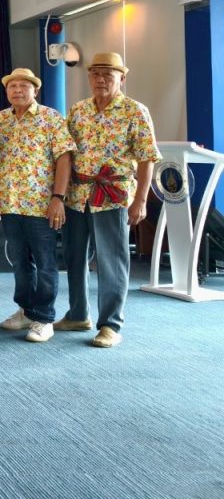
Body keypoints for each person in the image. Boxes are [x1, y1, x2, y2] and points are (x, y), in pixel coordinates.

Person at [56, 52, 160, 348]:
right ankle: (78, 314)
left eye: (108, 74)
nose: (100, 79)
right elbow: (66, 153)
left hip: (113, 196)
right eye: (95, 74)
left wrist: (141, 200)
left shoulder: (135, 111)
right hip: (78, 195)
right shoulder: (78, 110)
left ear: (121, 79)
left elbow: (147, 158)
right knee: (75, 257)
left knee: (111, 260)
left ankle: (110, 324)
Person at [0, 69, 75, 343]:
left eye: (23, 86)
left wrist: (58, 198)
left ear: (35, 90)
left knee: (45, 262)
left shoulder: (50, 117)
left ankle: (44, 318)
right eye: (12, 86)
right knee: (20, 263)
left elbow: (64, 158)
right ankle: (26, 311)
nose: (17, 90)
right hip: (10, 203)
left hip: (41, 204)